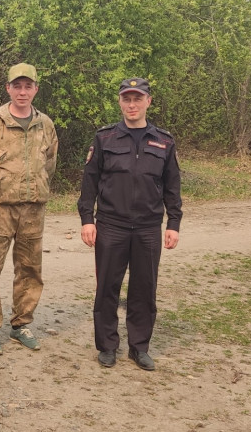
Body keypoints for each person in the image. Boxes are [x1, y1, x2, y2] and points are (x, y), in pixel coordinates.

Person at [77, 78, 182, 371]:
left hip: (148, 227)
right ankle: (107, 346)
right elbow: (90, 183)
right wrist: (88, 219)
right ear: (120, 102)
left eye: (138, 99)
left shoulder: (164, 140)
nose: (132, 105)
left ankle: (139, 347)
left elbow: (172, 185)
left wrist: (173, 222)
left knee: (144, 289)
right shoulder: (105, 138)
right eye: (127, 99)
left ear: (149, 101)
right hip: (111, 225)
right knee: (107, 287)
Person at [0, 63, 58, 355]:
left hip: (33, 209)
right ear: (8, 88)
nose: (22, 91)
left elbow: (50, 163)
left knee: (30, 268)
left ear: (35, 89)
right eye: (16, 86)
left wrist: (36, 187)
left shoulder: (46, 124)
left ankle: (22, 323)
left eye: (27, 86)